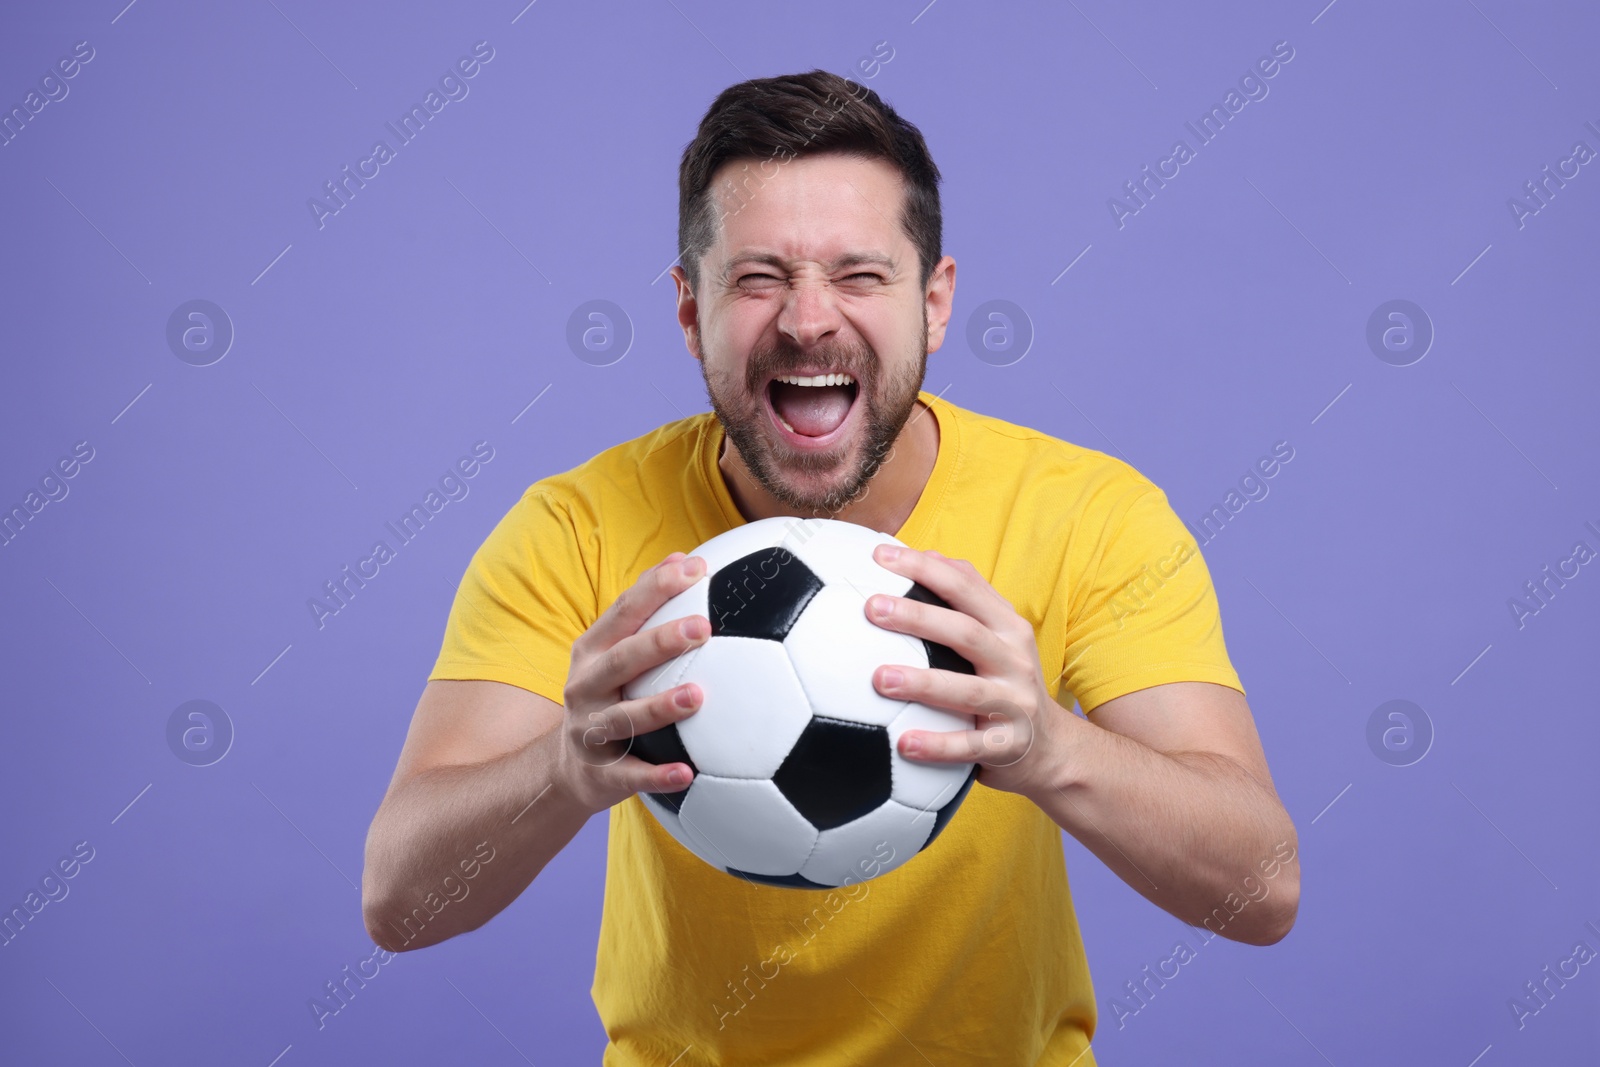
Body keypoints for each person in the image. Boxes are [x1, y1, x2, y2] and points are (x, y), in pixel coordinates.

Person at [361, 68, 1299, 1066]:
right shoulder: (579, 526)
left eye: (860, 275)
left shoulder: (1088, 513)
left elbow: (1263, 886)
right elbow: (399, 901)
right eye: (758, 277)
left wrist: (1053, 749)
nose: (808, 321)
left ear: (935, 302)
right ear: (689, 313)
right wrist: (559, 770)